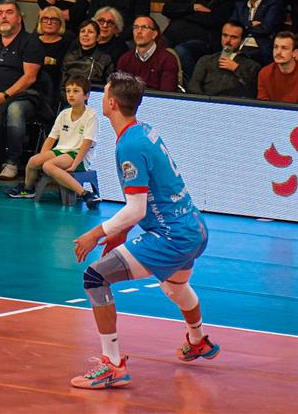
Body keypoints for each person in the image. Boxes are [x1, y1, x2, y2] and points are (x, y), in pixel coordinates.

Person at [70, 73, 216, 390]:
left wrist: (96, 233)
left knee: (95, 277)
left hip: (171, 236)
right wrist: (121, 232)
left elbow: (136, 208)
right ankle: (197, 340)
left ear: (111, 103)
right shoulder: (144, 131)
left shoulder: (130, 145)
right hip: (194, 228)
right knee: (175, 287)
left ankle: (112, 365)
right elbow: (150, 196)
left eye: (104, 93)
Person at [0, 0, 45, 179]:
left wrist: (5, 95)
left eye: (9, 12)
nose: (3, 16)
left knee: (15, 110)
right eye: (0, 13)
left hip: (23, 96)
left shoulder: (31, 42)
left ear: (19, 18)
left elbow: (30, 77)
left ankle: (12, 162)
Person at [6, 75, 99, 204]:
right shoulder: (64, 114)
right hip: (60, 151)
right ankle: (28, 189)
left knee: (48, 165)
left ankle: (85, 194)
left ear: (86, 95)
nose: (71, 94)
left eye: (76, 91)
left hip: (78, 155)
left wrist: (75, 164)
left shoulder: (91, 115)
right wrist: (42, 156)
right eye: (68, 91)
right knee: (34, 161)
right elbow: (51, 138)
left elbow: (87, 143)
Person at [162, 0, 235, 82]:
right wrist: (193, 7)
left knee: (181, 50)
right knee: (153, 46)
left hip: (204, 42)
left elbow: (213, 20)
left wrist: (181, 15)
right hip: (173, 36)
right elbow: (167, 9)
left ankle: (192, 86)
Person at [187, 21, 260, 98]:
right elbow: (193, 87)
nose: (228, 40)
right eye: (225, 35)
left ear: (242, 40)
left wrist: (237, 69)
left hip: (233, 103)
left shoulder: (252, 66)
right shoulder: (206, 60)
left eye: (233, 37)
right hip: (205, 102)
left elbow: (252, 91)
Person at [231, 0, 283, 64]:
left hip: (260, 49)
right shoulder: (240, 6)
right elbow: (232, 28)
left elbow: (266, 29)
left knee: (242, 60)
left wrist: (243, 27)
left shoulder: (273, 4)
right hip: (237, 46)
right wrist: (250, 24)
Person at [118, 16, 180, 92]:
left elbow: (166, 94)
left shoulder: (167, 59)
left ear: (154, 34)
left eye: (144, 27)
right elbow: (120, 91)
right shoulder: (125, 59)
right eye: (136, 27)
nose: (139, 31)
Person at [258, 31, 298, 104]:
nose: (278, 52)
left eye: (284, 48)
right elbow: (263, 104)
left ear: (295, 53)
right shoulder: (264, 73)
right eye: (276, 47)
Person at [63, 19, 115, 87]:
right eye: (82, 31)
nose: (85, 34)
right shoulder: (69, 58)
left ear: (98, 37)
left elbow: (109, 85)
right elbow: (62, 85)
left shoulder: (105, 59)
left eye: (90, 32)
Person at [36, 5, 74, 97]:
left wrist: (41, 61)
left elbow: (62, 65)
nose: (49, 22)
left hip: (55, 84)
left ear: (60, 23)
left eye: (53, 19)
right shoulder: (32, 40)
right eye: (45, 19)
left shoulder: (67, 43)